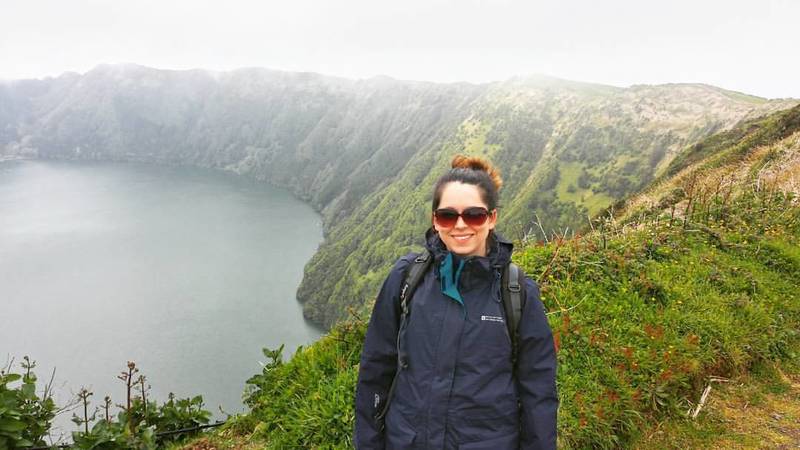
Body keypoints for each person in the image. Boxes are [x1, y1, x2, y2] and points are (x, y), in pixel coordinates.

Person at [354, 155, 558, 450]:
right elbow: (375, 372)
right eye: (447, 216)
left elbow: (538, 394)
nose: (460, 226)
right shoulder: (407, 277)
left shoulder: (517, 292)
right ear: (435, 220)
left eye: (474, 215)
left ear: (492, 218)